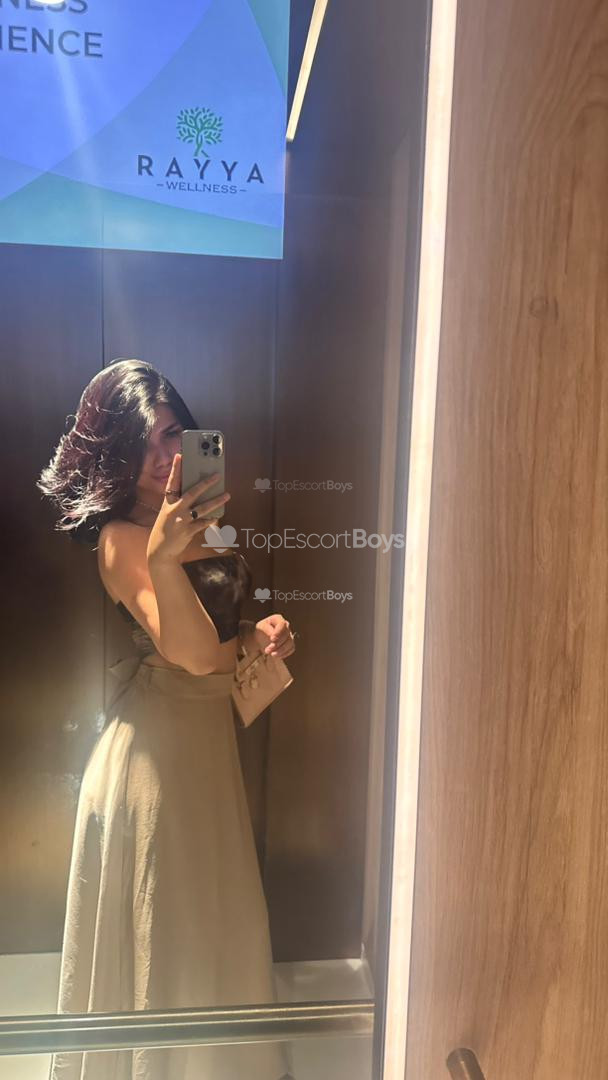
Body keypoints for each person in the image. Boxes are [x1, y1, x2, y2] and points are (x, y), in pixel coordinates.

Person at [36, 358, 297, 1079]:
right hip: (156, 759)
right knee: (169, 929)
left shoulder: (198, 521)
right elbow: (189, 652)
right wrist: (164, 558)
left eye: (173, 433)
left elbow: (217, 644)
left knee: (215, 916)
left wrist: (260, 638)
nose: (162, 456)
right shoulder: (122, 539)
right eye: (141, 442)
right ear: (116, 454)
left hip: (206, 748)